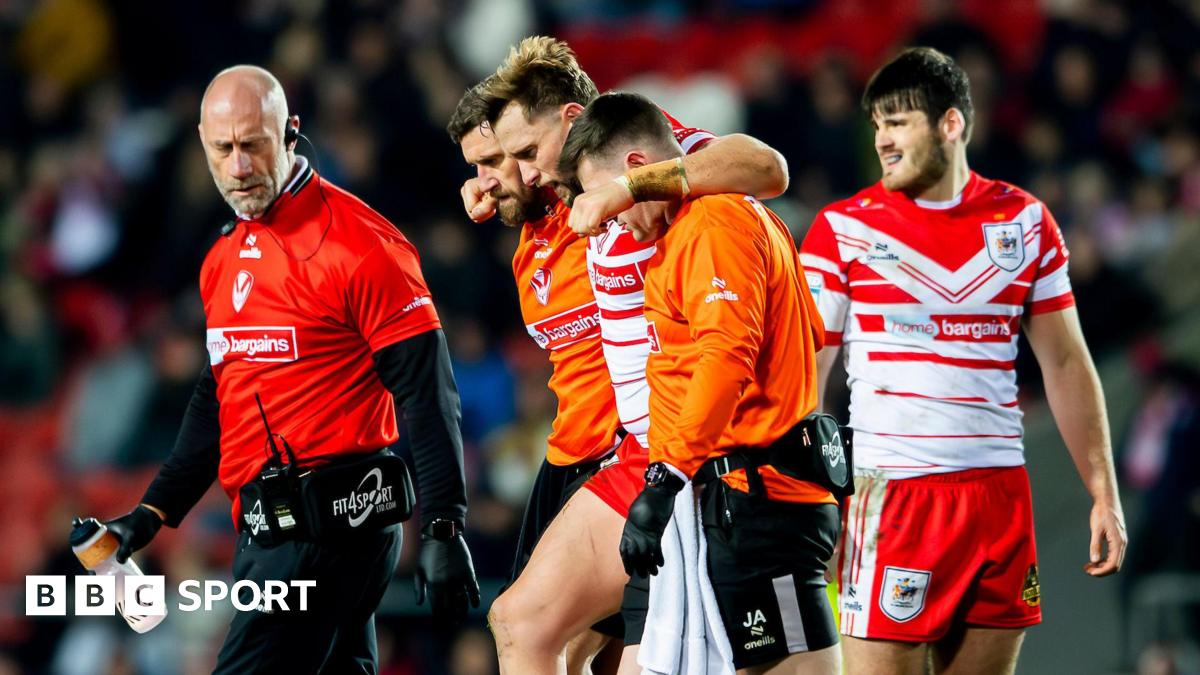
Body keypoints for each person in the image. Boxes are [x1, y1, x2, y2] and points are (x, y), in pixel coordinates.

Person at [100, 65, 480, 674]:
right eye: (222, 148)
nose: (238, 166)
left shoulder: (361, 245)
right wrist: (153, 513)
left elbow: (429, 392)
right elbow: (219, 396)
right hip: (274, 532)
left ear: (291, 132)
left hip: (326, 534)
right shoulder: (223, 257)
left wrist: (443, 525)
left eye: (253, 144)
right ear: (201, 143)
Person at [459, 37, 792, 674]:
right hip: (592, 450)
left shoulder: (640, 159)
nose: (522, 171)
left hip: (670, 449)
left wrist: (624, 189)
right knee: (556, 638)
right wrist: (498, 188)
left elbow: (766, 167)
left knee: (535, 627)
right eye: (502, 159)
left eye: (525, 153)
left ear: (570, 120)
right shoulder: (547, 210)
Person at [798, 47, 1127, 675]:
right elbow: (808, 374)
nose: (882, 139)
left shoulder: (1025, 222)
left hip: (1000, 496)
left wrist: (1103, 493)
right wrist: (808, 494)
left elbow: (1065, 363)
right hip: (892, 497)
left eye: (898, 122)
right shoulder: (843, 229)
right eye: (876, 125)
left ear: (950, 123)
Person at [558, 90, 842, 675]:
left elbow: (726, 360)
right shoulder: (695, 226)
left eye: (611, 201)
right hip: (736, 493)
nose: (615, 223)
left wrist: (665, 479)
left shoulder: (713, 223)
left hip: (760, 497)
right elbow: (806, 334)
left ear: (637, 170)